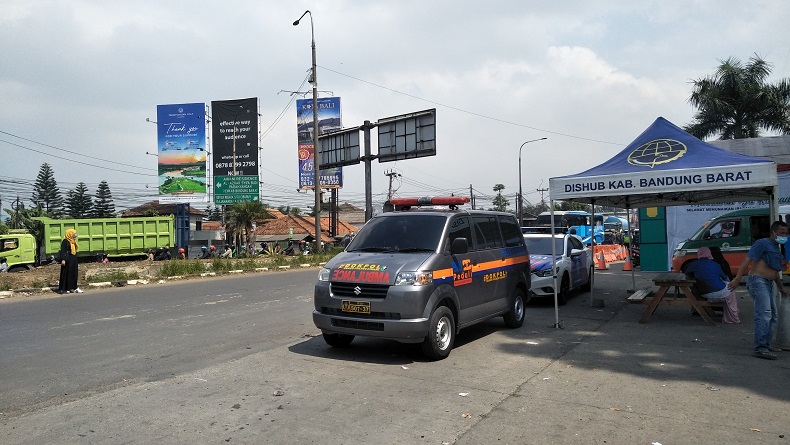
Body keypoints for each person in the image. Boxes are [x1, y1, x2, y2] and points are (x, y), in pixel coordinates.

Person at [728, 220, 789, 360]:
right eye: (781, 233)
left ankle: (766, 344)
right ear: (773, 232)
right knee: (764, 314)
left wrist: (781, 289)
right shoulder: (762, 243)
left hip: (768, 283)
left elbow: (774, 272)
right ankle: (760, 348)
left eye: (786, 233)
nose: (784, 236)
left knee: (773, 315)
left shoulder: (776, 248)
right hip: (758, 281)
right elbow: (746, 261)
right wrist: (737, 279)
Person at [683, 247, 740, 324]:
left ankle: (731, 313)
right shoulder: (716, 264)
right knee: (731, 288)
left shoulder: (694, 264)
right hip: (719, 292)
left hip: (704, 293)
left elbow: (686, 273)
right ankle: (733, 317)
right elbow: (725, 278)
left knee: (728, 288)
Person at [57, 228, 82, 294]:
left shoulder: (73, 241)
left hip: (73, 258)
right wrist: (63, 259)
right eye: (73, 233)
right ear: (69, 234)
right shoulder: (65, 241)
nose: (75, 234)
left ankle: (72, 287)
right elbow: (63, 250)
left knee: (73, 273)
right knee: (66, 273)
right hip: (67, 259)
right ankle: (64, 289)